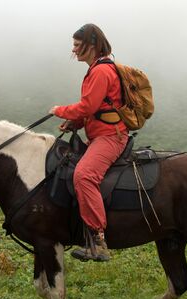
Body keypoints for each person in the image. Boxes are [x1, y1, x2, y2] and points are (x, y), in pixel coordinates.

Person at [49, 23, 128, 262]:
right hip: (98, 134)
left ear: (91, 45)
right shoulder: (96, 69)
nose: (73, 50)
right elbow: (97, 109)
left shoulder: (101, 71)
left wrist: (60, 111)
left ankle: (98, 240)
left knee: (83, 176)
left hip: (109, 137)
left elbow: (88, 106)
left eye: (76, 45)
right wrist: (76, 123)